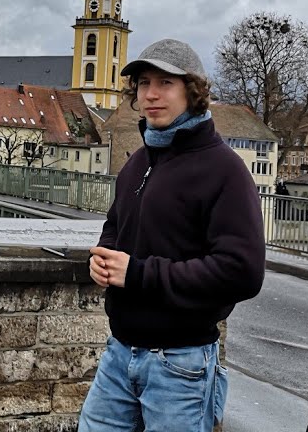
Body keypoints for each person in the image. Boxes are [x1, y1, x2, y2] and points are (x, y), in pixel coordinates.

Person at [79, 38, 266, 432]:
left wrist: (138, 273)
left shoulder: (224, 170)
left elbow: (242, 272)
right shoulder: (138, 164)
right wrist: (105, 259)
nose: (151, 94)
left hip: (181, 363)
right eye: (144, 83)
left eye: (165, 83)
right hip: (119, 354)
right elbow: (116, 228)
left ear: (193, 92)